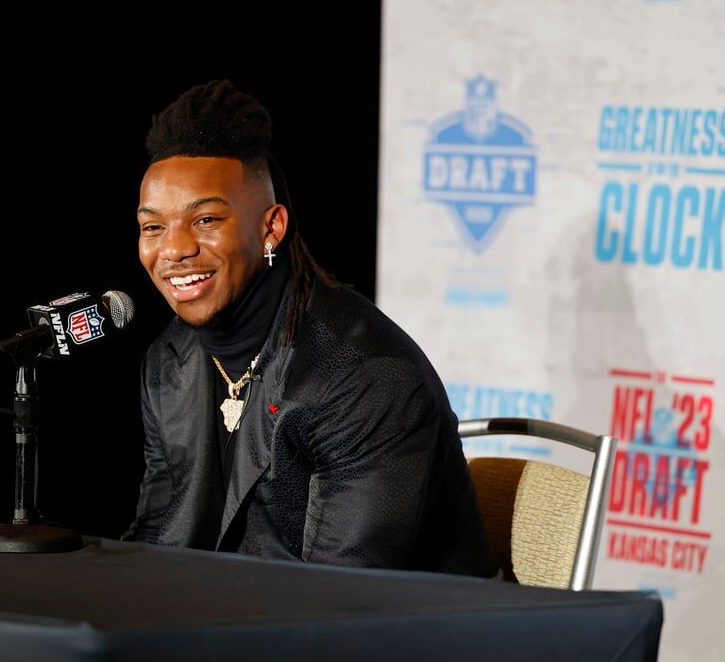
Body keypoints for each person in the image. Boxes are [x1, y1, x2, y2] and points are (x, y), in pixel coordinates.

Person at [124, 79, 498, 578]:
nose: (173, 250)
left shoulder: (363, 378)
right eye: (153, 227)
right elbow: (157, 536)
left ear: (271, 228)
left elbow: (337, 595)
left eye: (206, 219)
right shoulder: (172, 360)